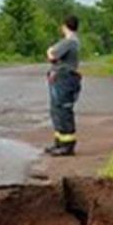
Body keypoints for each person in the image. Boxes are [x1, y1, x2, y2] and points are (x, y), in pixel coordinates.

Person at [44, 15, 81, 156]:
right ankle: (59, 142)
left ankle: (67, 145)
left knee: (63, 110)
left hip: (65, 78)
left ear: (64, 26)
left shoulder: (69, 42)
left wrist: (50, 50)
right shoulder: (72, 42)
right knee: (56, 110)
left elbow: (52, 55)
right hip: (62, 77)